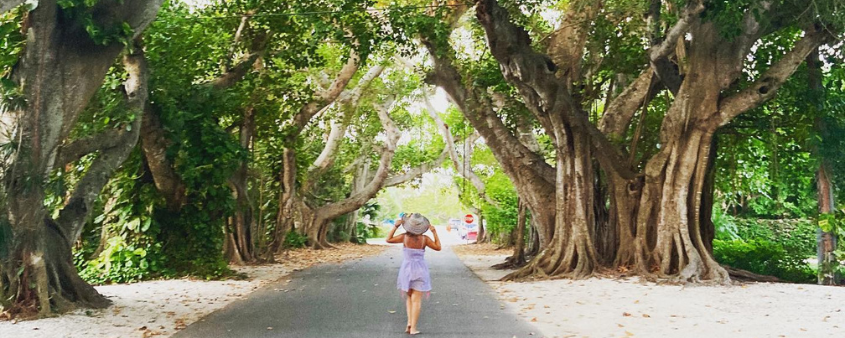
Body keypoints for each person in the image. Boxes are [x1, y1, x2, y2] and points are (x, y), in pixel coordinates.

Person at [386, 212, 441, 335]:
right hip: (420, 270)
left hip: (406, 270)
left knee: (409, 298)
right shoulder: (424, 239)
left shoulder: (404, 237)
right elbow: (438, 247)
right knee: (416, 300)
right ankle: (413, 328)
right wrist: (434, 232)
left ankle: (409, 323)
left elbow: (388, 239)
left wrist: (395, 226)